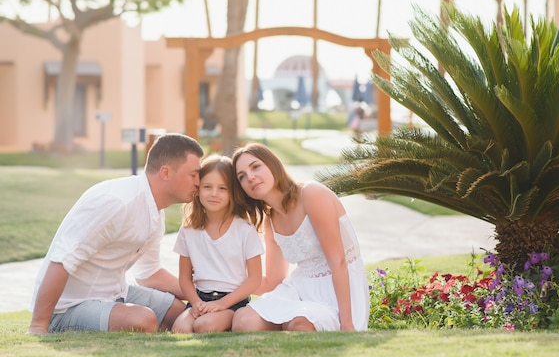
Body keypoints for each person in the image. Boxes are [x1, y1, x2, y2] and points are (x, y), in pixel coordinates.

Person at [28, 133, 205, 335]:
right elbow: (62, 260)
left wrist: (201, 296)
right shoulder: (117, 202)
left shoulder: (155, 211)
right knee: (143, 319)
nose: (199, 182)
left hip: (114, 294)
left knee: (179, 311)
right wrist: (38, 326)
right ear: (165, 172)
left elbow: (149, 274)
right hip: (66, 308)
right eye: (193, 174)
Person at [230, 142, 370, 332]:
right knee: (243, 320)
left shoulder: (311, 194)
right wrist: (224, 278)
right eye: (242, 177)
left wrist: (347, 324)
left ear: (273, 165)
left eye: (255, 167)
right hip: (299, 287)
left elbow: (338, 262)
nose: (251, 177)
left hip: (337, 289)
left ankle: (292, 329)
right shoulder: (270, 222)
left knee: (299, 324)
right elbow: (273, 281)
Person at [171, 155, 264, 333]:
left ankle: (227, 320)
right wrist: (196, 303)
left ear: (233, 193)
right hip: (199, 299)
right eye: (207, 187)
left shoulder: (244, 229)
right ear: (198, 189)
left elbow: (255, 279)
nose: (214, 194)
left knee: (204, 326)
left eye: (222, 188)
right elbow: (184, 278)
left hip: (232, 302)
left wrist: (222, 304)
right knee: (180, 329)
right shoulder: (189, 230)